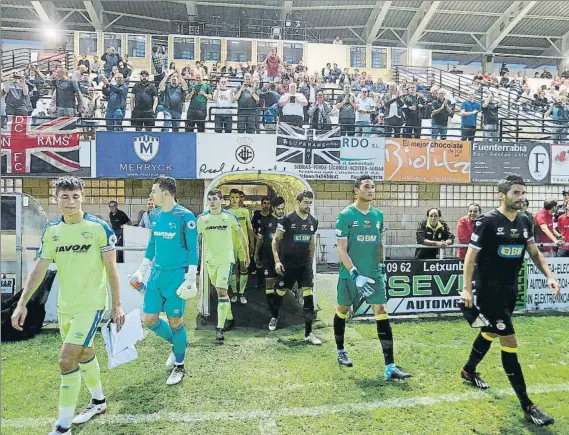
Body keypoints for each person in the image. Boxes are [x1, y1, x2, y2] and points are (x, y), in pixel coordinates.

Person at [11, 176, 125, 435]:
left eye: (75, 196)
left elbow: (112, 269)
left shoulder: (98, 228)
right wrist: (22, 304)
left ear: (83, 197)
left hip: (92, 304)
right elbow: (39, 270)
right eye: (65, 197)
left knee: (66, 360)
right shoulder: (52, 231)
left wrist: (116, 305)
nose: (71, 202)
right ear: (56, 199)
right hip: (66, 306)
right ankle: (98, 401)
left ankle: (62, 427)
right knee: (84, 354)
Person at [460, 174, 560, 427]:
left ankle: (468, 370)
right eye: (516, 192)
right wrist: (467, 290)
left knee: (491, 332)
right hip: (488, 289)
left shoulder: (526, 220)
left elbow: (534, 252)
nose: (521, 197)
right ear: (501, 194)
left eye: (522, 192)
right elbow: (470, 256)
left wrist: (549, 276)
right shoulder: (487, 221)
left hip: (509, 289)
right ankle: (527, 405)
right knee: (509, 338)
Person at [333, 175, 411, 379]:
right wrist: (355, 274)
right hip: (350, 275)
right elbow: (341, 250)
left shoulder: (378, 215)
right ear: (356, 190)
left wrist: (382, 267)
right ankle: (341, 350)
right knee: (342, 310)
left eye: (373, 187)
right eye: (367, 187)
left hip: (374, 273)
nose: (371, 190)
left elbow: (379, 244)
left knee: (382, 310)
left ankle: (390, 366)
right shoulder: (345, 215)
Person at [130, 176, 198, 386]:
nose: (151, 195)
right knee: (149, 319)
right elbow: (152, 244)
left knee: (175, 321)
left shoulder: (185, 216)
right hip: (156, 276)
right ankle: (177, 344)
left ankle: (180, 366)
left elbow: (193, 249)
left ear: (166, 193)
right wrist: (142, 270)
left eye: (154, 191)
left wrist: (191, 279)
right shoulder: (156, 214)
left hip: (176, 276)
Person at [197, 190, 249, 344]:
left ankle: (219, 330)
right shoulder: (202, 219)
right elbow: (193, 238)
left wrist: (246, 255)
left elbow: (242, 236)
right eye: (209, 199)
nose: (212, 202)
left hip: (226, 260)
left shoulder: (229, 217)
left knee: (221, 291)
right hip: (210, 262)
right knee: (221, 292)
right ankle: (230, 318)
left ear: (221, 200)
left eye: (215, 199)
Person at [271, 190, 321, 345]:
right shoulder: (287, 219)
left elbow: (312, 243)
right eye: (305, 202)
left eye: (310, 202)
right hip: (287, 265)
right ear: (297, 202)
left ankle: (309, 333)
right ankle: (274, 316)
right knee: (279, 292)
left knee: (308, 296)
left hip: (304, 265)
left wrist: (310, 262)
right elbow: (275, 241)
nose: (308, 205)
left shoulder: (313, 221)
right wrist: (277, 261)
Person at [254, 197, 286, 330]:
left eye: (283, 208)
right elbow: (260, 240)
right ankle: (274, 315)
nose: (281, 211)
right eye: (278, 209)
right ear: (273, 208)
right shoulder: (266, 221)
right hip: (267, 258)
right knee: (269, 285)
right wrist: (256, 253)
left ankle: (277, 308)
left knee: (282, 287)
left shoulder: (287, 221)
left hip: (283, 260)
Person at [227, 189, 254, 304]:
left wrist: (251, 243)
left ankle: (241, 293)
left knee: (243, 268)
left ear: (240, 198)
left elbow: (250, 228)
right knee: (233, 269)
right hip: (230, 245)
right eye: (232, 197)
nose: (234, 199)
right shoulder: (225, 212)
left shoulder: (245, 211)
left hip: (243, 245)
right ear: (229, 198)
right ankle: (234, 293)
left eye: (236, 197)